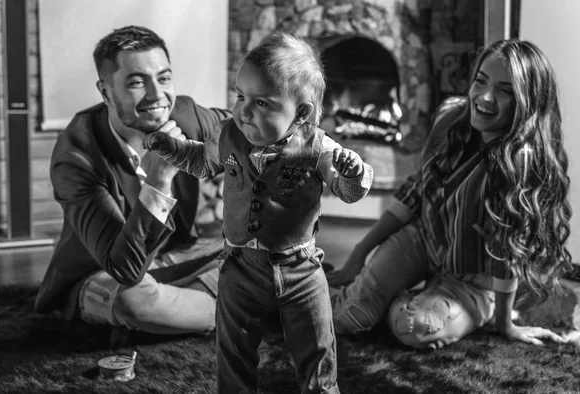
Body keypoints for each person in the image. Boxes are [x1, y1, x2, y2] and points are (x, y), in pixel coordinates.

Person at [144, 32, 373, 393]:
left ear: (301, 114)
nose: (243, 111)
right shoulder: (228, 135)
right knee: (232, 350)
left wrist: (354, 175)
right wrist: (170, 147)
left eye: (262, 103)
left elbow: (347, 193)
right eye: (240, 96)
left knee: (317, 350)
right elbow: (202, 162)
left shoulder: (319, 147)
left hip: (300, 271)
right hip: (239, 267)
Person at [326, 39, 572, 350]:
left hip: (474, 279)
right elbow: (416, 191)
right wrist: (358, 255)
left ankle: (411, 298)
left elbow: (508, 252)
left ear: (528, 102)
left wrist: (505, 324)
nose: (484, 97)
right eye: (481, 81)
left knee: (413, 327)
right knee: (347, 319)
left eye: (505, 90)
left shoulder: (520, 161)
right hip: (423, 240)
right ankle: (302, 286)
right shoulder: (453, 118)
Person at [34, 26, 231, 338]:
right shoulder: (76, 157)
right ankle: (245, 313)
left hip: (178, 255)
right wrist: (160, 180)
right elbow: (124, 269)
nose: (157, 96)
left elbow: (248, 130)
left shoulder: (188, 115)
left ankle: (190, 310)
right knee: (132, 301)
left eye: (164, 78)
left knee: (261, 249)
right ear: (105, 92)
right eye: (137, 82)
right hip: (104, 271)